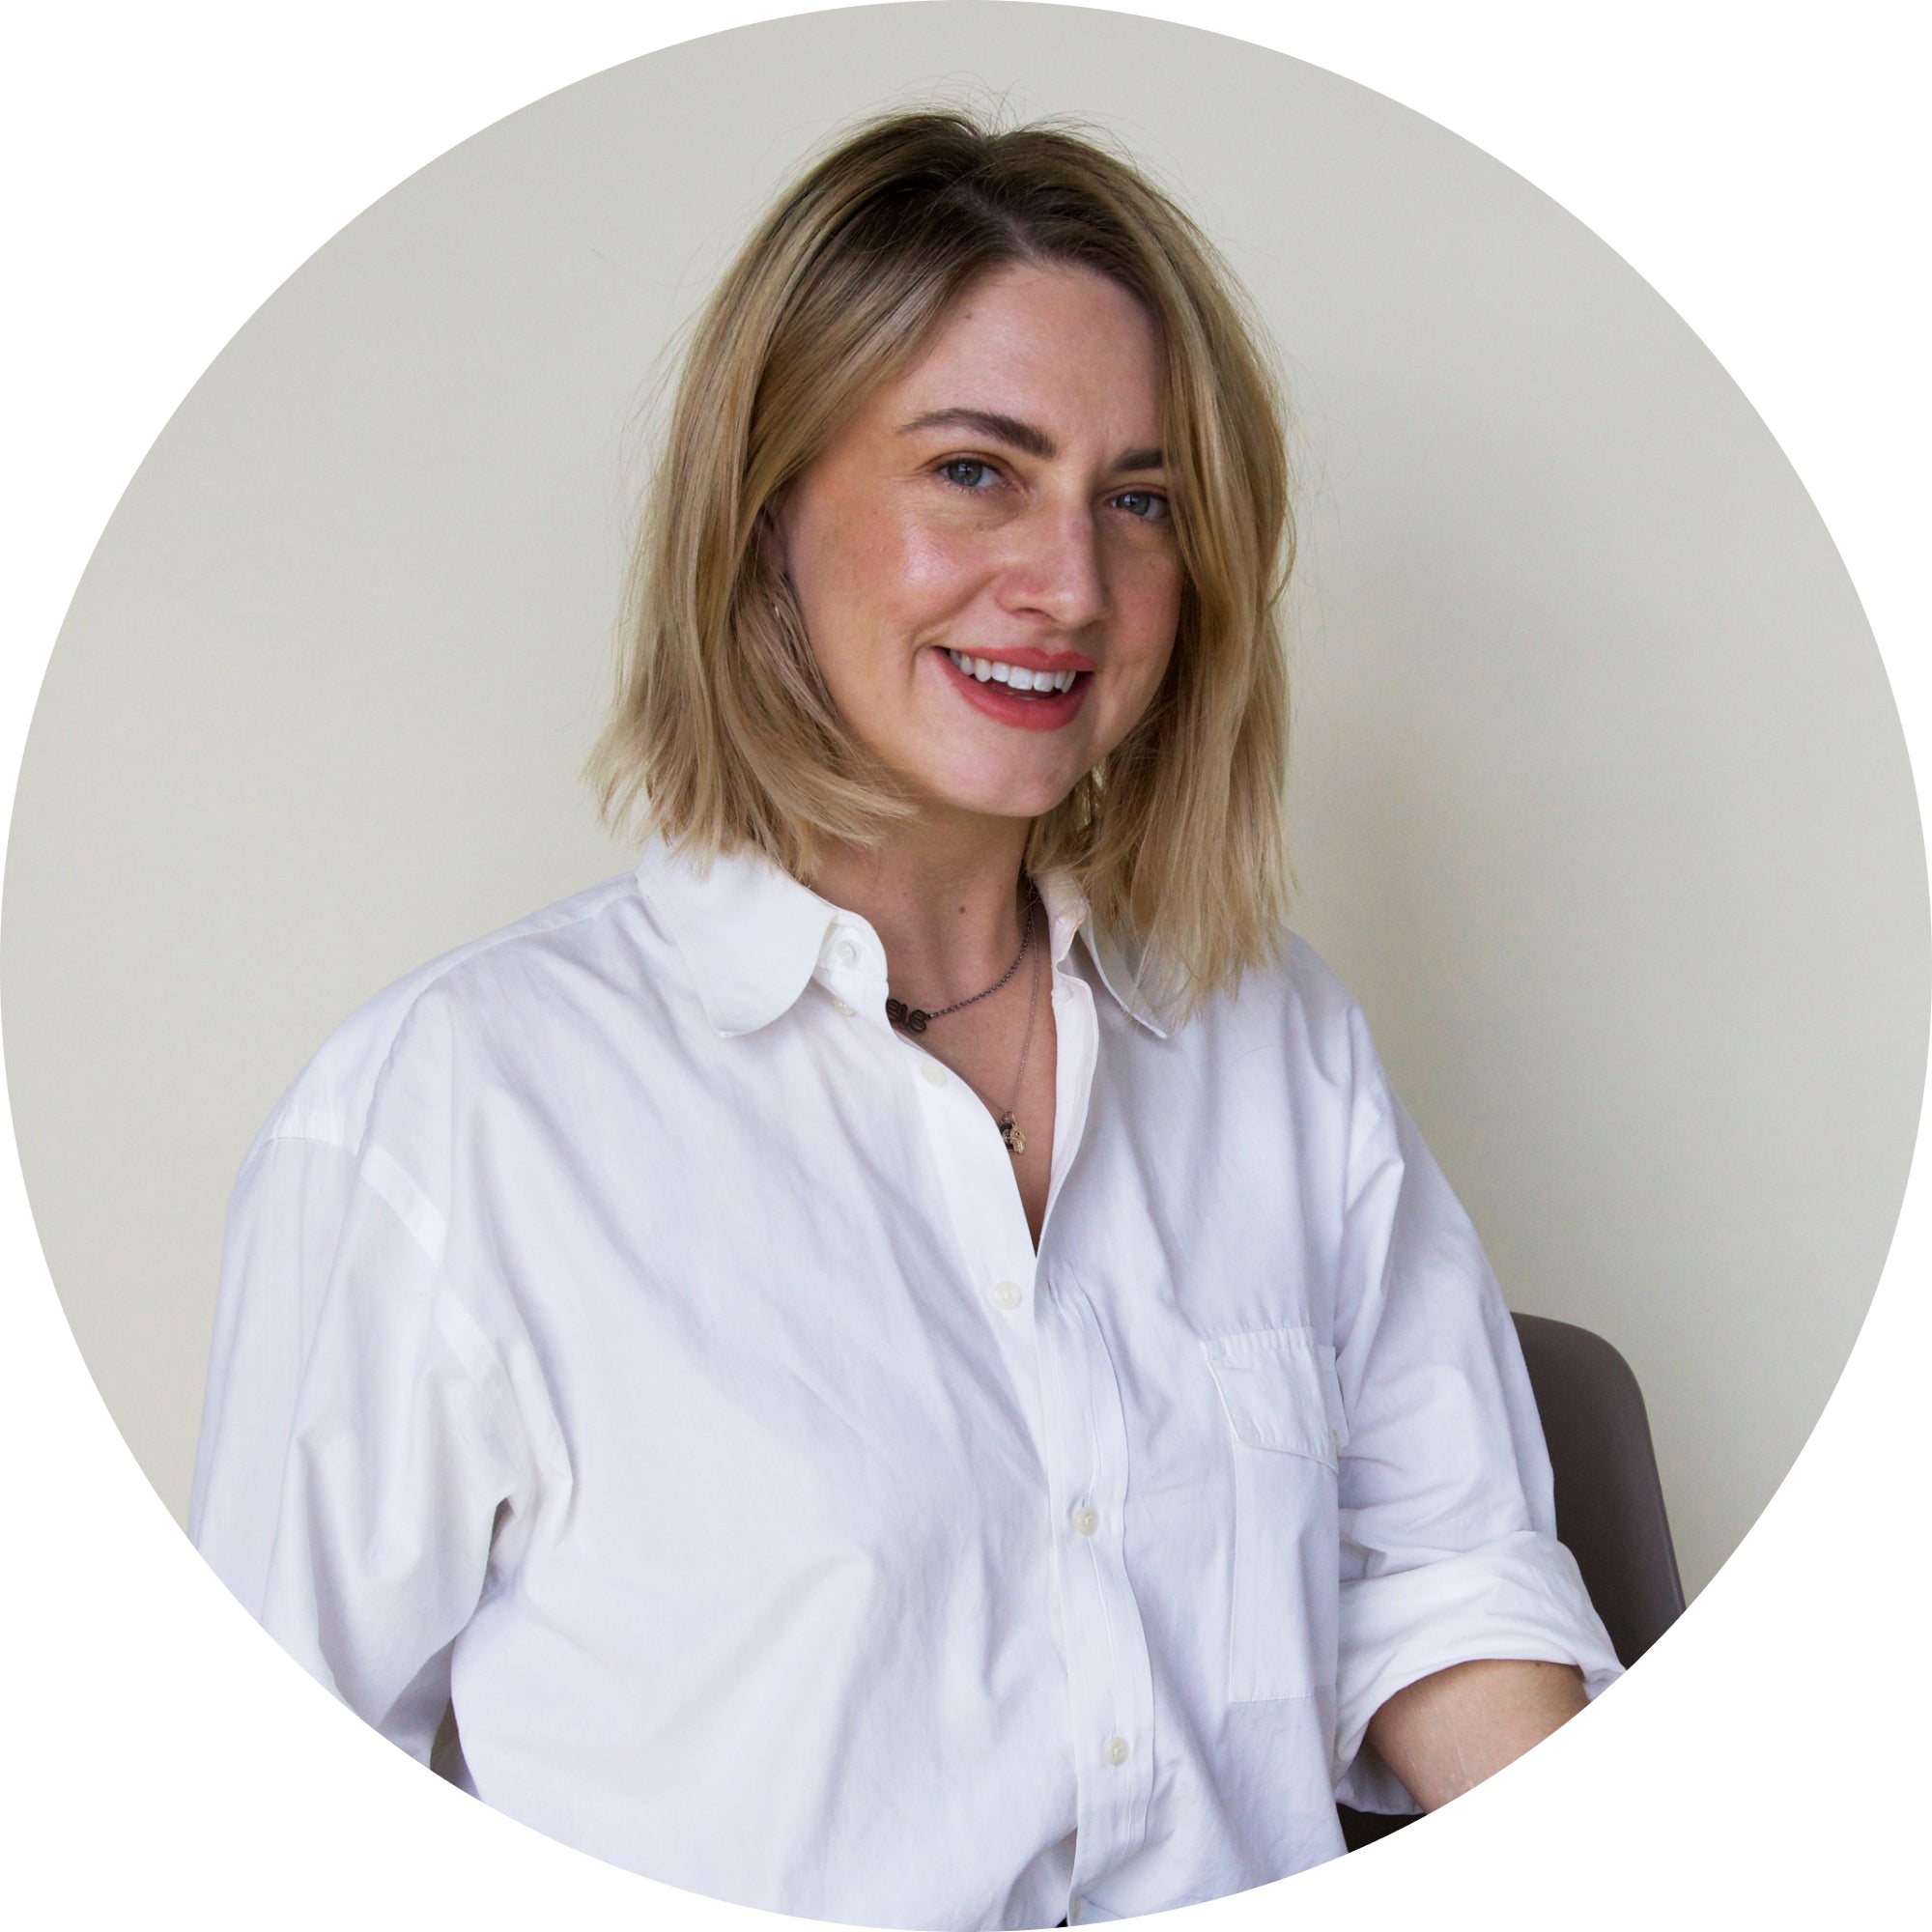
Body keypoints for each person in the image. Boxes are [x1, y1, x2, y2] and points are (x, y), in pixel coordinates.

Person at [189, 108, 1621, 1928]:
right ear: (766, 507)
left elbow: (1441, 1589)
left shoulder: (1275, 1043)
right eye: (973, 471)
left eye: (1140, 500)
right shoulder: (455, 1115)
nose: (1071, 585)